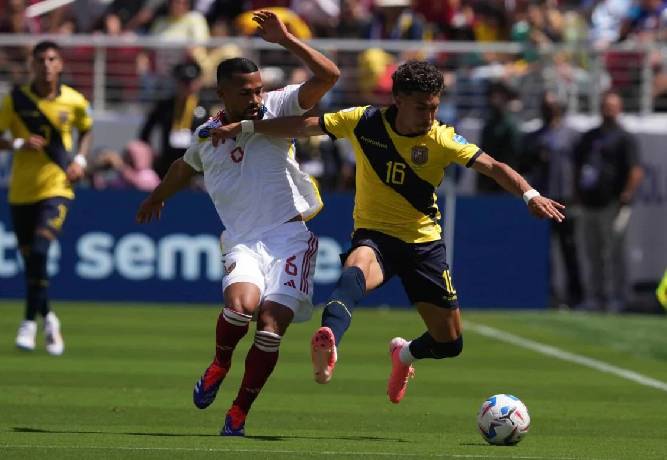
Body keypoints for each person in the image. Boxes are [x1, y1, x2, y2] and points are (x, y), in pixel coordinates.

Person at [210, 60, 565, 404]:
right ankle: (330, 339)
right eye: (423, 108)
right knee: (354, 272)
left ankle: (405, 355)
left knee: (449, 344)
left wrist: (530, 195)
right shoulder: (363, 121)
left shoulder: (442, 138)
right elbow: (304, 126)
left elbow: (494, 167)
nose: (431, 116)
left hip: (424, 245)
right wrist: (243, 128)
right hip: (375, 236)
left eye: (435, 107)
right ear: (398, 100)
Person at [136, 10, 339, 436]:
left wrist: (285, 39)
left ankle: (239, 412)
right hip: (244, 242)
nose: (255, 97)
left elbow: (329, 75)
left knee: (269, 328)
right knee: (239, 309)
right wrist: (157, 195)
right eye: (245, 92)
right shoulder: (207, 136)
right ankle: (220, 363)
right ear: (222, 92)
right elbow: (182, 166)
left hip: (290, 239)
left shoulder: (278, 108)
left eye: (259, 89)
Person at [0, 40, 93, 355]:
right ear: (32, 65)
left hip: (57, 188)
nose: (46, 65)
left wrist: (79, 161)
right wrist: (18, 144)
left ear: (60, 64)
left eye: (52, 59)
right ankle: (49, 318)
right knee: (31, 264)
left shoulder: (74, 100)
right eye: (40, 60)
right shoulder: (16, 100)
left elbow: (87, 129)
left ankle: (28, 324)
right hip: (21, 191)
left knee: (40, 250)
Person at [574, 90, 644, 312]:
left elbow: (635, 169)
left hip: (612, 203)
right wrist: (577, 193)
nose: (609, 111)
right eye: (606, 106)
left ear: (619, 109)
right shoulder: (590, 136)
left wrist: (627, 194)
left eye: (613, 107)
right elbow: (577, 166)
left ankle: (618, 296)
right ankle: (595, 296)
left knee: (614, 253)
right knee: (592, 253)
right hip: (589, 203)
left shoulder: (625, 137)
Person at [520, 91, 583, 308]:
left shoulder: (572, 135)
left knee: (569, 248)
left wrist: (578, 194)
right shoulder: (534, 137)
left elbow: (581, 167)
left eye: (552, 106)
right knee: (543, 251)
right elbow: (523, 165)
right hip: (542, 200)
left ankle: (575, 296)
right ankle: (547, 294)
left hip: (565, 199)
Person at [139, 60, 209, 178]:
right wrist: (151, 155)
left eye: (191, 81)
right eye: (184, 81)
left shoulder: (205, 108)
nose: (187, 86)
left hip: (195, 168)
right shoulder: (164, 106)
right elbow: (145, 133)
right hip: (167, 165)